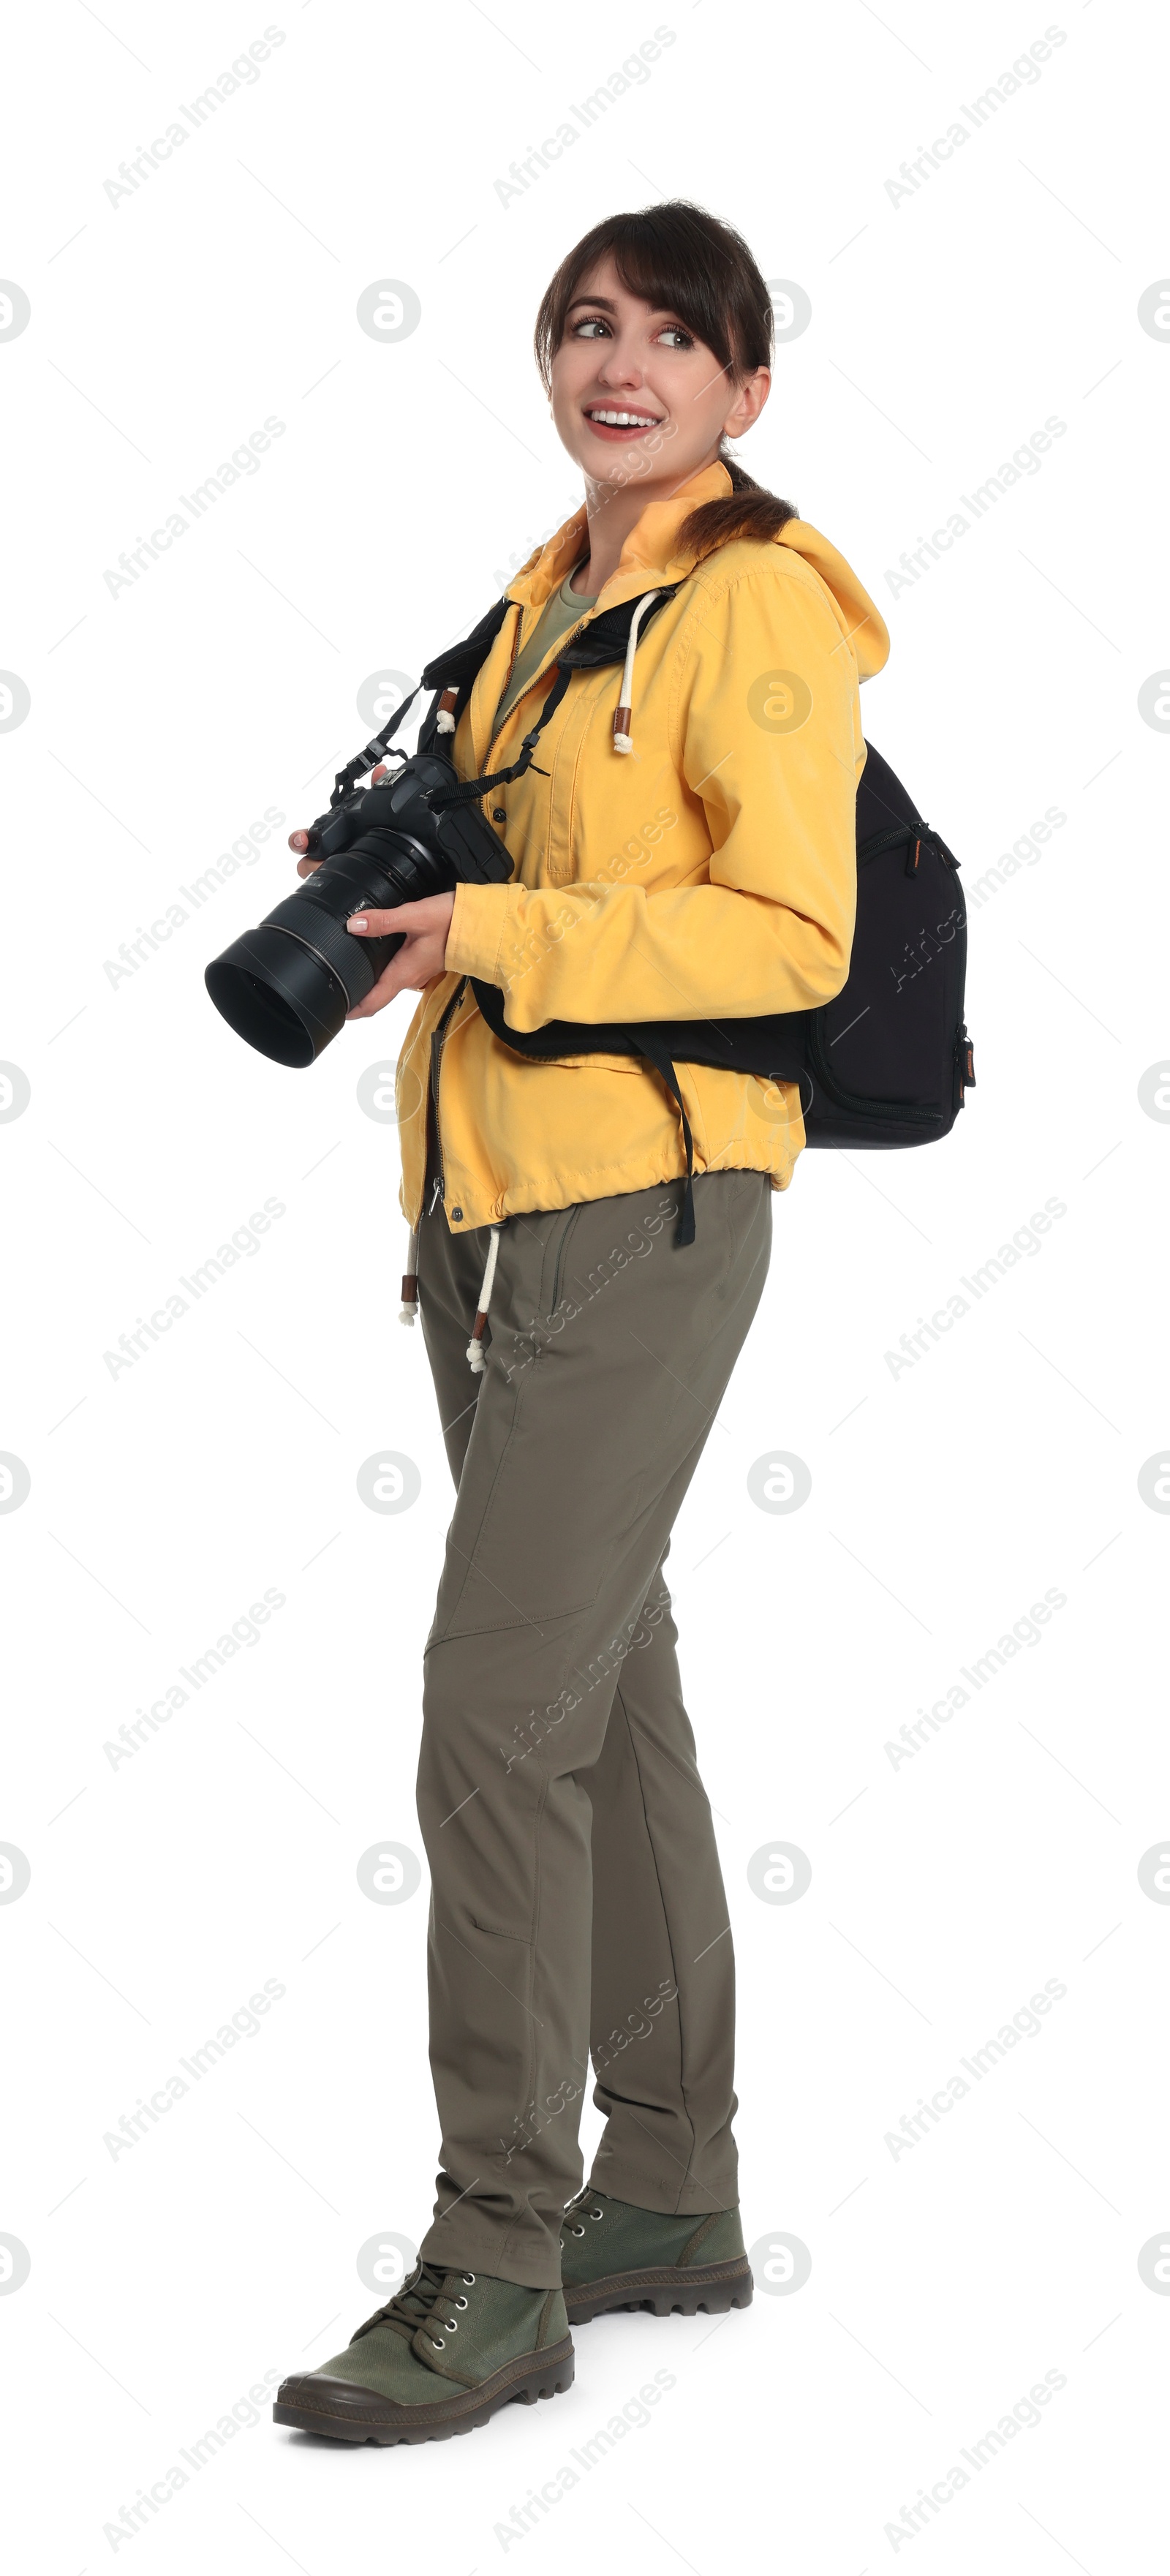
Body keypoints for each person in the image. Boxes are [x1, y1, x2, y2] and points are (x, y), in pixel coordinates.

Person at [273, 200, 889, 2446]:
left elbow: (788, 934)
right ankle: (674, 2192)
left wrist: (506, 928)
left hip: (650, 1202)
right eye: (581, 329)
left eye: (668, 334)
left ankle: (499, 2251)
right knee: (601, 1697)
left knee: (488, 1712)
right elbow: (535, 904)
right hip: (494, 1212)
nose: (616, 364)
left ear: (744, 386)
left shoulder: (757, 613)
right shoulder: (540, 607)